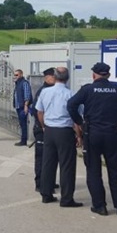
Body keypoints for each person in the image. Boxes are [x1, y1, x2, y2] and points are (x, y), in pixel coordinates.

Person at [67, 62, 117, 216]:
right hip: (113, 133)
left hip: (93, 133)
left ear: (94, 75)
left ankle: (100, 206)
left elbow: (71, 105)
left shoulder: (88, 89)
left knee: (93, 170)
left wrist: (80, 123)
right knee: (114, 170)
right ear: (108, 74)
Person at [35, 67, 83, 208]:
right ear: (67, 78)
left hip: (49, 130)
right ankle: (67, 198)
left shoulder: (45, 92)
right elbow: (76, 117)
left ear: (54, 77)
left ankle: (46, 194)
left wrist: (44, 126)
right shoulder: (70, 94)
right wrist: (79, 135)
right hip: (64, 131)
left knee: (48, 163)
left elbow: (39, 112)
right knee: (67, 165)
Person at [32, 67, 58, 193]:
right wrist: (43, 126)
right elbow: (37, 111)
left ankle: (49, 181)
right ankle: (40, 183)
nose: (55, 78)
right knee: (41, 157)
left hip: (51, 129)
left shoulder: (53, 90)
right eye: (53, 76)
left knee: (51, 158)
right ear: (46, 78)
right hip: (42, 129)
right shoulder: (43, 91)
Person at [13, 69, 33, 146]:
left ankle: (24, 140)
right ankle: (23, 139)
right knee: (21, 123)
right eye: (14, 75)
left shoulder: (24, 83)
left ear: (21, 75)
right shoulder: (17, 83)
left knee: (23, 123)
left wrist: (26, 106)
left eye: (16, 75)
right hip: (18, 106)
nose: (15, 76)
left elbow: (27, 95)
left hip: (22, 107)